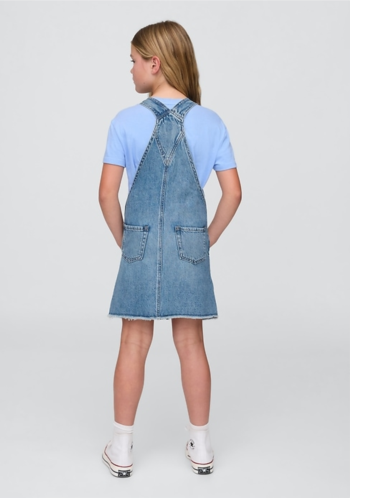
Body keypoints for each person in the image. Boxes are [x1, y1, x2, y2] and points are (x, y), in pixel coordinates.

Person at [98, 20, 242, 478]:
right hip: (189, 246)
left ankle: (122, 447)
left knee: (133, 341)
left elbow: (106, 194)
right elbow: (234, 193)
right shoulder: (211, 122)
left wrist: (127, 241)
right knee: (191, 343)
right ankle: (201, 444)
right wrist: (206, 237)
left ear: (155, 64)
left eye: (134, 61)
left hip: (139, 243)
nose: (131, 69)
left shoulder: (125, 121)